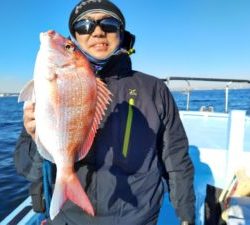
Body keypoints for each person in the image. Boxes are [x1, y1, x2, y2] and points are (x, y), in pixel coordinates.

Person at [14, 0, 195, 224]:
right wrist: (35, 139)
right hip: (70, 217)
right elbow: (25, 168)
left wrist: (187, 216)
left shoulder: (154, 89)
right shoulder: (43, 90)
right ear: (74, 38)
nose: (98, 32)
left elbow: (176, 158)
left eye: (109, 24)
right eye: (84, 26)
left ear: (121, 33)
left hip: (138, 218)